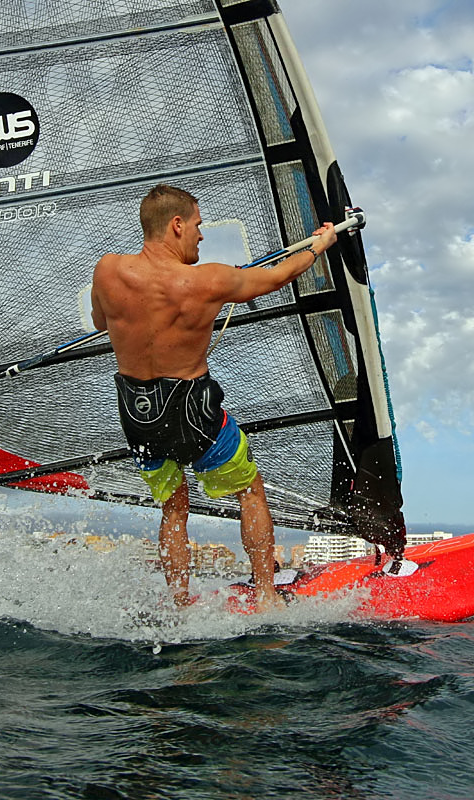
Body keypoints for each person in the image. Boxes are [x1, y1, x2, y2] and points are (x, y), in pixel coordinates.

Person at [91, 184, 337, 610]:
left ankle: (180, 604)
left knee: (173, 508)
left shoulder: (108, 272)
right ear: (177, 224)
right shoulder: (210, 281)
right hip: (192, 409)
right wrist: (318, 246)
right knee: (251, 491)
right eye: (199, 226)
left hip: (137, 413)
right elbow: (278, 276)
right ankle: (265, 595)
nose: (202, 236)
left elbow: (98, 321)